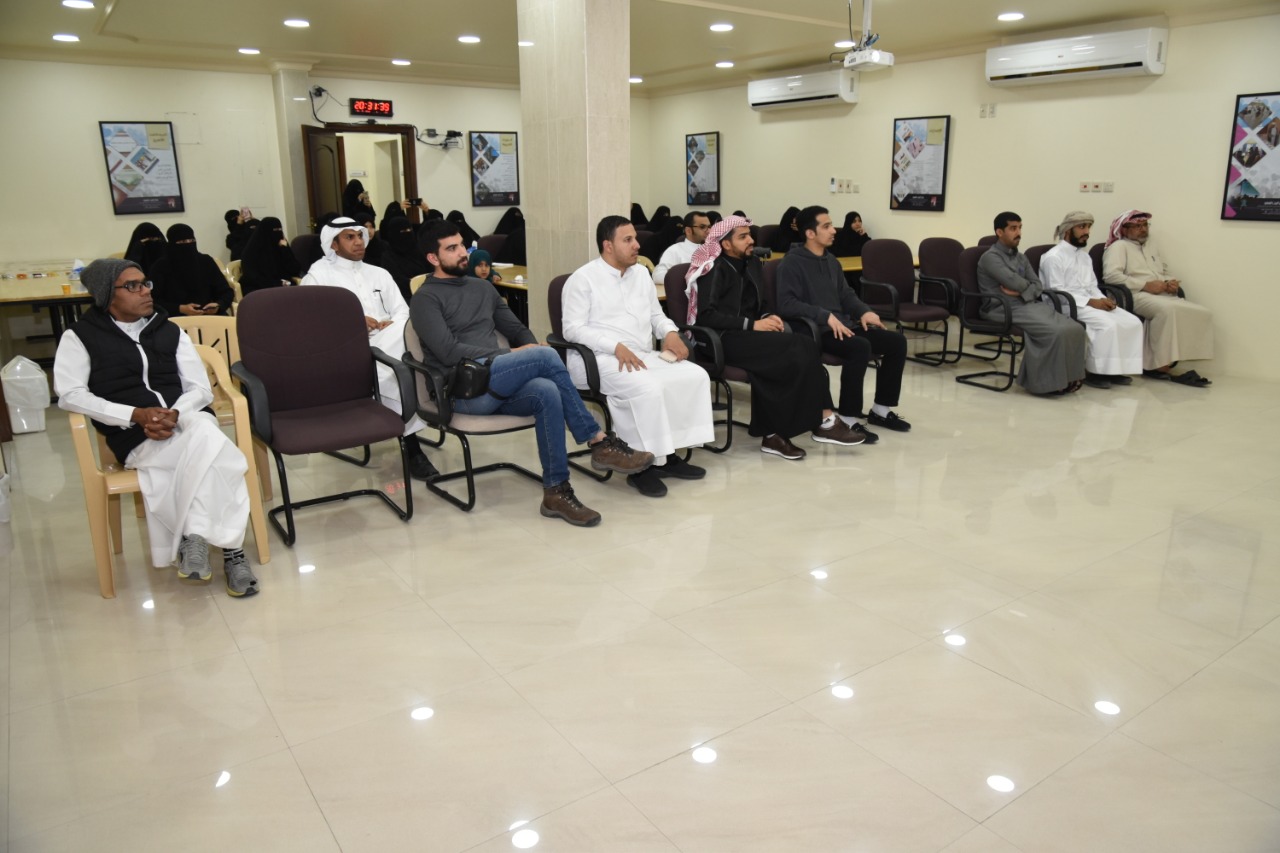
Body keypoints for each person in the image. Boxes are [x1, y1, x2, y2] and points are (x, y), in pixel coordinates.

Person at [411, 221, 655, 525]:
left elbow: (516, 329)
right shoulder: (425, 299)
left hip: (496, 383)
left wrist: (526, 346)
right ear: (433, 258)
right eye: (452, 248)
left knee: (546, 391)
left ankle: (556, 492)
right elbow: (448, 352)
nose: (463, 252)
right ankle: (597, 440)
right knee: (544, 355)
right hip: (464, 391)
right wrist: (512, 354)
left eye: (462, 244)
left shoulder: (481, 287)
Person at [53, 259, 259, 596]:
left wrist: (174, 413)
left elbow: (200, 389)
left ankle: (194, 538)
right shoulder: (80, 337)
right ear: (106, 295)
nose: (145, 291)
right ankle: (232, 552)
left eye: (145, 283)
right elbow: (71, 395)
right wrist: (135, 415)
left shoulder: (168, 330)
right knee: (224, 456)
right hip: (134, 434)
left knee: (205, 435)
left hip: (188, 419)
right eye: (132, 286)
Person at [687, 215, 865, 459]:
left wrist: (768, 316)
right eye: (743, 237)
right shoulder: (713, 268)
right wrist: (753, 324)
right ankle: (795, 429)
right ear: (725, 244)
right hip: (720, 339)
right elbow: (706, 316)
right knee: (786, 354)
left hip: (749, 335)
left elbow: (760, 304)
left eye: (750, 235)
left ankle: (808, 425)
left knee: (805, 344)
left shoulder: (752, 264)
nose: (751, 240)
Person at [562, 216, 714, 497]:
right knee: (647, 387)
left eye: (635, 238)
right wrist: (614, 346)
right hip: (596, 358)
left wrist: (670, 333)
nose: (637, 245)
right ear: (608, 246)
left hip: (640, 354)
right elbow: (572, 329)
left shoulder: (642, 274)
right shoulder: (582, 279)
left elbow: (656, 315)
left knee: (694, 375)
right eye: (628, 240)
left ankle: (667, 455)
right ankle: (640, 468)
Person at [300, 216, 438, 479]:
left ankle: (404, 428)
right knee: (402, 368)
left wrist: (390, 324)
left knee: (406, 333)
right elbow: (311, 326)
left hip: (389, 342)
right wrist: (352, 322)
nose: (358, 242)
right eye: (349, 237)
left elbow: (403, 311)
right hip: (346, 351)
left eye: (360, 236)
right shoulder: (318, 277)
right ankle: (412, 444)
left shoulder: (379, 273)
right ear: (333, 244)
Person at [777, 206, 911, 441]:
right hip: (816, 330)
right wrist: (824, 316)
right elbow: (787, 304)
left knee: (897, 342)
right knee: (859, 346)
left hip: (843, 325)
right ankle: (848, 418)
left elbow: (846, 295)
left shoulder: (831, 260)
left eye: (832, 225)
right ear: (810, 233)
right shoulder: (791, 263)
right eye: (826, 226)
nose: (833, 231)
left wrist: (864, 311)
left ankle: (881, 409)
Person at [977, 212, 1087, 395]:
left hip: (1026, 304)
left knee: (1075, 328)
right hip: (1002, 308)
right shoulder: (991, 257)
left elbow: (1037, 285)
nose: (1018, 232)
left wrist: (1021, 290)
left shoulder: (1020, 257)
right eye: (1013, 228)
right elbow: (1016, 283)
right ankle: (1045, 384)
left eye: (1020, 228)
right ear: (999, 232)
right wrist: (1023, 288)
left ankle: (1068, 379)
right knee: (1054, 331)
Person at [1102, 210, 1214, 387]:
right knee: (1167, 311)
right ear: (1124, 229)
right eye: (1137, 226)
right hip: (1133, 294)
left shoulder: (1150, 246)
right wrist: (1145, 285)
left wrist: (1169, 282)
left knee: (1203, 313)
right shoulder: (1119, 247)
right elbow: (1111, 277)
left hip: (1159, 294)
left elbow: (1162, 270)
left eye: (1145, 225)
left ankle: (1169, 359)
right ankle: (1156, 365)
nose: (1143, 229)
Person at [1037, 211, 1143, 389]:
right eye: (1081, 227)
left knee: (1132, 322)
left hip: (1089, 302)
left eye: (1088, 227)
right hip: (1066, 305)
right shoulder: (1053, 257)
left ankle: (1115, 370)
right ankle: (1095, 372)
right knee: (1107, 325)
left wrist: (1104, 300)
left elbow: (1093, 286)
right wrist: (1091, 302)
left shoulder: (1084, 256)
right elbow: (1056, 291)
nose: (1086, 232)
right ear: (1068, 230)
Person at [150, 223, 235, 317]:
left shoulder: (205, 261)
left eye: (192, 240)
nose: (188, 244)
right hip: (176, 319)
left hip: (209, 316)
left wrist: (218, 305)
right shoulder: (160, 266)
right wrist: (180, 309)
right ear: (172, 244)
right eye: (182, 242)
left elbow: (226, 291)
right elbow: (154, 301)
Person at [238, 216, 300, 296]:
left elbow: (295, 270)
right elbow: (253, 277)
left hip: (283, 286)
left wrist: (285, 250)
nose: (278, 233)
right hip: (259, 289)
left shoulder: (281, 247)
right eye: (275, 230)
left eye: (280, 230)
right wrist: (278, 283)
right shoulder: (252, 250)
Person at [378, 215, 431, 302]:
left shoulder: (420, 250)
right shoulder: (388, 257)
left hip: (430, 293)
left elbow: (433, 271)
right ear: (394, 234)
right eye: (403, 231)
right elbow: (398, 282)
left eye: (409, 229)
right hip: (405, 299)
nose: (408, 233)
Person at [652, 211, 710, 285]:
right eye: (702, 227)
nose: (708, 231)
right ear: (688, 231)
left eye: (709, 227)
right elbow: (657, 276)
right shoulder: (675, 251)